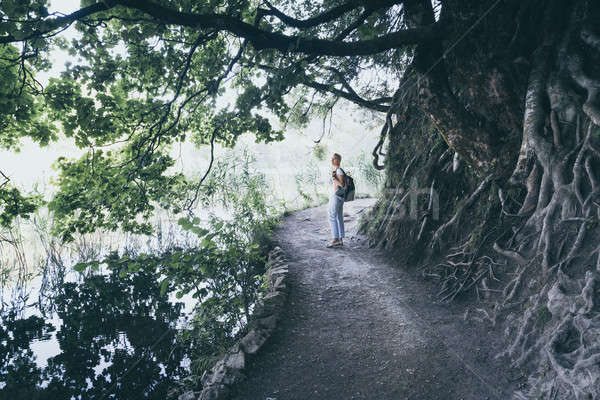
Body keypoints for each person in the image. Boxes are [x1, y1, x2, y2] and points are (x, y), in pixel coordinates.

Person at [327, 153, 346, 248]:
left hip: (336, 197)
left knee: (331, 216)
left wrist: (334, 178)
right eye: (331, 159)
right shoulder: (337, 170)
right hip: (339, 197)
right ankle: (340, 239)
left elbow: (342, 184)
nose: (331, 160)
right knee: (338, 217)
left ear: (337, 160)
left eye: (333, 159)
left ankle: (335, 239)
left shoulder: (339, 171)